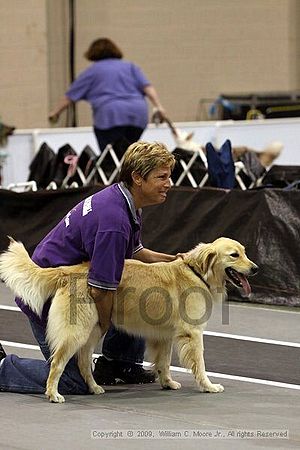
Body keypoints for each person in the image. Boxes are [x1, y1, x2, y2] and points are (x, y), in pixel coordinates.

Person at [0, 141, 177, 395]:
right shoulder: (114, 222)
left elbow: (136, 253)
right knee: (74, 381)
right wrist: (102, 326)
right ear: (138, 178)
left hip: (75, 283)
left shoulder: (125, 201)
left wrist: (176, 261)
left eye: (169, 176)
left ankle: (118, 364)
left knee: (139, 285)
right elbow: (100, 290)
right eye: (162, 177)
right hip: (54, 295)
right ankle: (3, 367)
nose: (169, 183)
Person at [48, 37, 166, 152]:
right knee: (129, 152)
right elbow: (147, 87)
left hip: (110, 116)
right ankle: (128, 169)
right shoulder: (130, 67)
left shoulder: (92, 71)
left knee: (109, 154)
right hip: (137, 115)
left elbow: (70, 97)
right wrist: (159, 106)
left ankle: (114, 170)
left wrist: (55, 113)